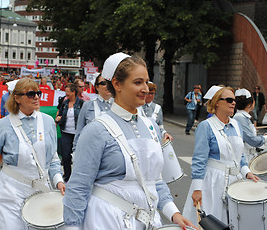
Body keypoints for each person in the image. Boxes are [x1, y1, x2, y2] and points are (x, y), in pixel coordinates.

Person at [64, 53, 195, 229]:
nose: (146, 89)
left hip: (146, 221)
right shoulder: (97, 130)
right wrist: (72, 227)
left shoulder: (151, 127)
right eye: (137, 82)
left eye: (146, 82)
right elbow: (78, 187)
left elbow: (155, 180)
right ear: (117, 84)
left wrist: (174, 213)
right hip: (106, 221)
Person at [0, 78, 65, 230]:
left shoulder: (48, 121)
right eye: (30, 94)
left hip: (40, 191)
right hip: (11, 193)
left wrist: (58, 180)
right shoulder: (3, 125)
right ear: (16, 98)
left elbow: (53, 158)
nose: (36, 97)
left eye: (38, 93)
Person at [182, 85, 259, 226]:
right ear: (217, 102)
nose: (234, 103)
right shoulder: (206, 126)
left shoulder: (236, 125)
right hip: (212, 183)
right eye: (229, 100)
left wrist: (247, 172)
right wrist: (197, 189)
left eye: (234, 100)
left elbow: (239, 154)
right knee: (212, 222)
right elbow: (199, 160)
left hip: (235, 182)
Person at [73, 74, 113, 151]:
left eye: (110, 83)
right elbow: (79, 131)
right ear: (97, 87)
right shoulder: (88, 105)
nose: (107, 86)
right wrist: (75, 151)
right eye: (103, 83)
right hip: (92, 151)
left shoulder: (120, 105)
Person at [55, 83, 84, 182]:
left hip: (78, 134)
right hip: (66, 132)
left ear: (73, 92)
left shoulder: (81, 103)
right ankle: (67, 176)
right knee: (66, 155)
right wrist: (58, 118)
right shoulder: (64, 103)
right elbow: (59, 112)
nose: (66, 93)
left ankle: (78, 176)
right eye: (65, 91)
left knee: (78, 156)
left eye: (68, 91)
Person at [233, 88, 267, 162]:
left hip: (249, 156)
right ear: (250, 104)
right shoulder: (239, 118)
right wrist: (265, 138)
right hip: (244, 158)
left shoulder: (243, 117)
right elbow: (251, 140)